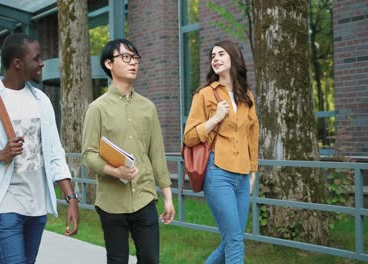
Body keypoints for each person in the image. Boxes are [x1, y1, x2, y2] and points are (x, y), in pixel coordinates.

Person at [0, 33, 79, 264]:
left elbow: (55, 153)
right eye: (37, 58)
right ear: (18, 64)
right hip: (5, 203)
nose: (42, 62)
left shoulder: (41, 100)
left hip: (37, 206)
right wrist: (0, 155)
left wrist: (71, 197)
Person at [81, 39, 175, 264]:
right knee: (117, 260)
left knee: (151, 259)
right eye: (126, 57)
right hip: (112, 202)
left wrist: (168, 197)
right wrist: (116, 172)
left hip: (144, 197)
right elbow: (88, 154)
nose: (133, 63)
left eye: (135, 58)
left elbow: (157, 154)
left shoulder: (148, 108)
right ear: (109, 64)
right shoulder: (97, 109)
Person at [184, 40, 259, 264]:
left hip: (243, 175)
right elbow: (189, 136)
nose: (215, 58)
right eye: (212, 56)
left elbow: (252, 135)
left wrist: (253, 171)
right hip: (218, 172)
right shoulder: (205, 94)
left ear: (234, 58)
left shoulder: (247, 95)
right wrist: (215, 118)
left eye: (221, 54)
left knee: (231, 240)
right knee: (235, 239)